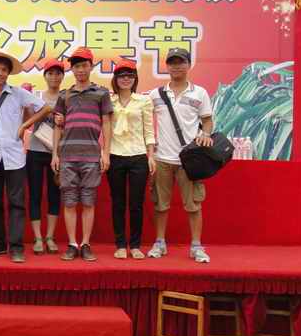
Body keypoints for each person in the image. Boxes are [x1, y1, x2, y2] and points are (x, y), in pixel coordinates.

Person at [0, 50, 50, 263]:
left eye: (4, 70)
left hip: (15, 156)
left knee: (17, 203)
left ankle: (16, 247)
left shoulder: (18, 94)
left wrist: (25, 125)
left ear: (8, 74)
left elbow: (45, 108)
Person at [148, 47, 214, 264]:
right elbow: (141, 117)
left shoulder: (199, 93)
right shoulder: (156, 94)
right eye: (172, 62)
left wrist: (206, 134)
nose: (176, 66)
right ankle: (159, 242)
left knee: (193, 205)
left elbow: (207, 120)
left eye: (181, 62)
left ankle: (196, 246)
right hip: (162, 158)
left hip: (189, 160)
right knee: (160, 205)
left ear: (189, 64)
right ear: (167, 66)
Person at [51, 46, 113, 262]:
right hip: (67, 156)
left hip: (92, 156)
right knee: (69, 202)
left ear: (91, 66)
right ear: (72, 69)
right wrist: (55, 154)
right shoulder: (64, 95)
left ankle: (85, 243)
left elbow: (107, 123)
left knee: (88, 202)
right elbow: (57, 126)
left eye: (84, 65)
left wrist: (106, 153)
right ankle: (72, 244)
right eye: (76, 66)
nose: (80, 70)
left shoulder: (101, 93)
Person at [107, 59, 156, 259]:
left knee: (136, 203)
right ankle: (120, 244)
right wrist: (104, 154)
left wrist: (150, 155)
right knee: (118, 203)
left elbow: (149, 130)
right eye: (122, 75)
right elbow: (105, 129)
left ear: (135, 79)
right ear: (115, 79)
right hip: (115, 155)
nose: (126, 79)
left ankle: (135, 245)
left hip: (138, 156)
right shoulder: (109, 101)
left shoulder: (144, 101)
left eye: (130, 75)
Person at [25, 58, 64, 254]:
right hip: (35, 151)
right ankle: (38, 238)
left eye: (58, 73)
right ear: (45, 76)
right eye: (50, 73)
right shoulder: (36, 96)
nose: (54, 77)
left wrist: (63, 120)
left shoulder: (67, 97)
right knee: (35, 195)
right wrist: (27, 106)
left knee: (54, 195)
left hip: (57, 154)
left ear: (62, 76)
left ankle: (50, 237)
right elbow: (26, 121)